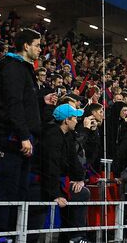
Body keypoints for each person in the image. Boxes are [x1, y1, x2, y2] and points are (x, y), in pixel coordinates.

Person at [0, 29, 45, 233]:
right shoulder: (13, 68)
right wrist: (23, 136)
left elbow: (25, 102)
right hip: (16, 139)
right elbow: (14, 104)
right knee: (8, 189)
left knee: (20, 191)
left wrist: (41, 100)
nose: (40, 49)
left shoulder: (24, 69)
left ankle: (13, 234)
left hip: (25, 139)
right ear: (26, 46)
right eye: (38, 45)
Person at [40, 103, 90, 243]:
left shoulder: (67, 135)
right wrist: (55, 194)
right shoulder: (52, 136)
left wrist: (80, 179)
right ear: (66, 120)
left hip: (58, 180)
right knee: (80, 194)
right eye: (74, 117)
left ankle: (74, 237)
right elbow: (50, 167)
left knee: (82, 191)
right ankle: (75, 237)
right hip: (45, 182)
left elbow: (74, 161)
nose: (77, 120)